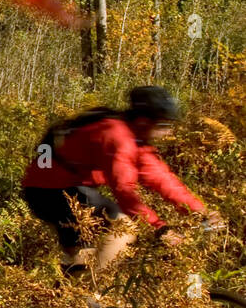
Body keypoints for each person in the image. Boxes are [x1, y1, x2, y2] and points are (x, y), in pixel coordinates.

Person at [21, 86, 216, 275]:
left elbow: (163, 180)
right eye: (163, 126)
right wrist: (159, 227)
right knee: (125, 226)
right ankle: (94, 297)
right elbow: (124, 190)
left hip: (65, 188)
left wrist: (200, 212)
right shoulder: (117, 137)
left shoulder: (136, 140)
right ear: (143, 121)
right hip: (50, 190)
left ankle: (72, 294)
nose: (169, 133)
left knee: (84, 259)